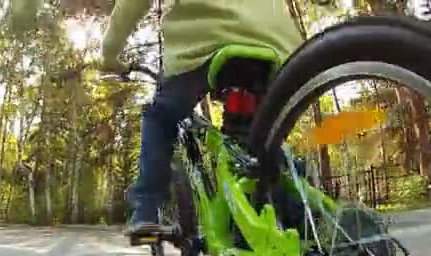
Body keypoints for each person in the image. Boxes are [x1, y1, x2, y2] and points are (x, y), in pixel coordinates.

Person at [100, 0, 306, 237]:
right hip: (281, 50)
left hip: (207, 40)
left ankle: (146, 208)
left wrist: (110, 56)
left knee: (160, 117)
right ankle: (302, 219)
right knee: (262, 142)